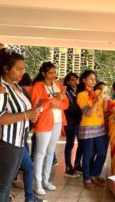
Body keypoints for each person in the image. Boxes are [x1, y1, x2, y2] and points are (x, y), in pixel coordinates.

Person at [0, 48, 40, 202]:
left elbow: (20, 112)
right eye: (18, 68)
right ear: (6, 68)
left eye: (23, 68)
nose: (22, 72)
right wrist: (26, 115)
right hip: (3, 143)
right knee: (0, 186)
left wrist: (31, 116)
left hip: (16, 142)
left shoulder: (17, 87)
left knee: (6, 184)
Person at [31, 62, 69, 196]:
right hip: (44, 122)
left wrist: (54, 103)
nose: (54, 75)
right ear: (43, 73)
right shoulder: (38, 86)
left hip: (58, 121)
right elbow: (38, 105)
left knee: (50, 152)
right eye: (51, 72)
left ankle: (46, 181)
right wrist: (53, 100)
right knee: (40, 153)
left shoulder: (58, 84)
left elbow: (66, 104)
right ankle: (38, 183)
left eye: (55, 72)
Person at [76, 70, 108, 190]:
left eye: (94, 78)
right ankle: (87, 179)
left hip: (100, 127)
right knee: (88, 155)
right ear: (84, 80)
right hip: (88, 127)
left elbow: (104, 110)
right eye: (90, 78)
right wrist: (96, 101)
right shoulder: (81, 95)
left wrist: (105, 101)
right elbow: (88, 113)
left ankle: (94, 175)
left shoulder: (98, 92)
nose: (93, 81)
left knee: (101, 153)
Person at [63, 72, 83, 178]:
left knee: (81, 143)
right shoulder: (66, 92)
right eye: (72, 80)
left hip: (80, 121)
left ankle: (77, 163)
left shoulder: (80, 91)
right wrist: (81, 109)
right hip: (70, 122)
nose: (75, 81)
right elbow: (69, 107)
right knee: (70, 144)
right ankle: (68, 167)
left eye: (76, 79)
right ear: (67, 82)